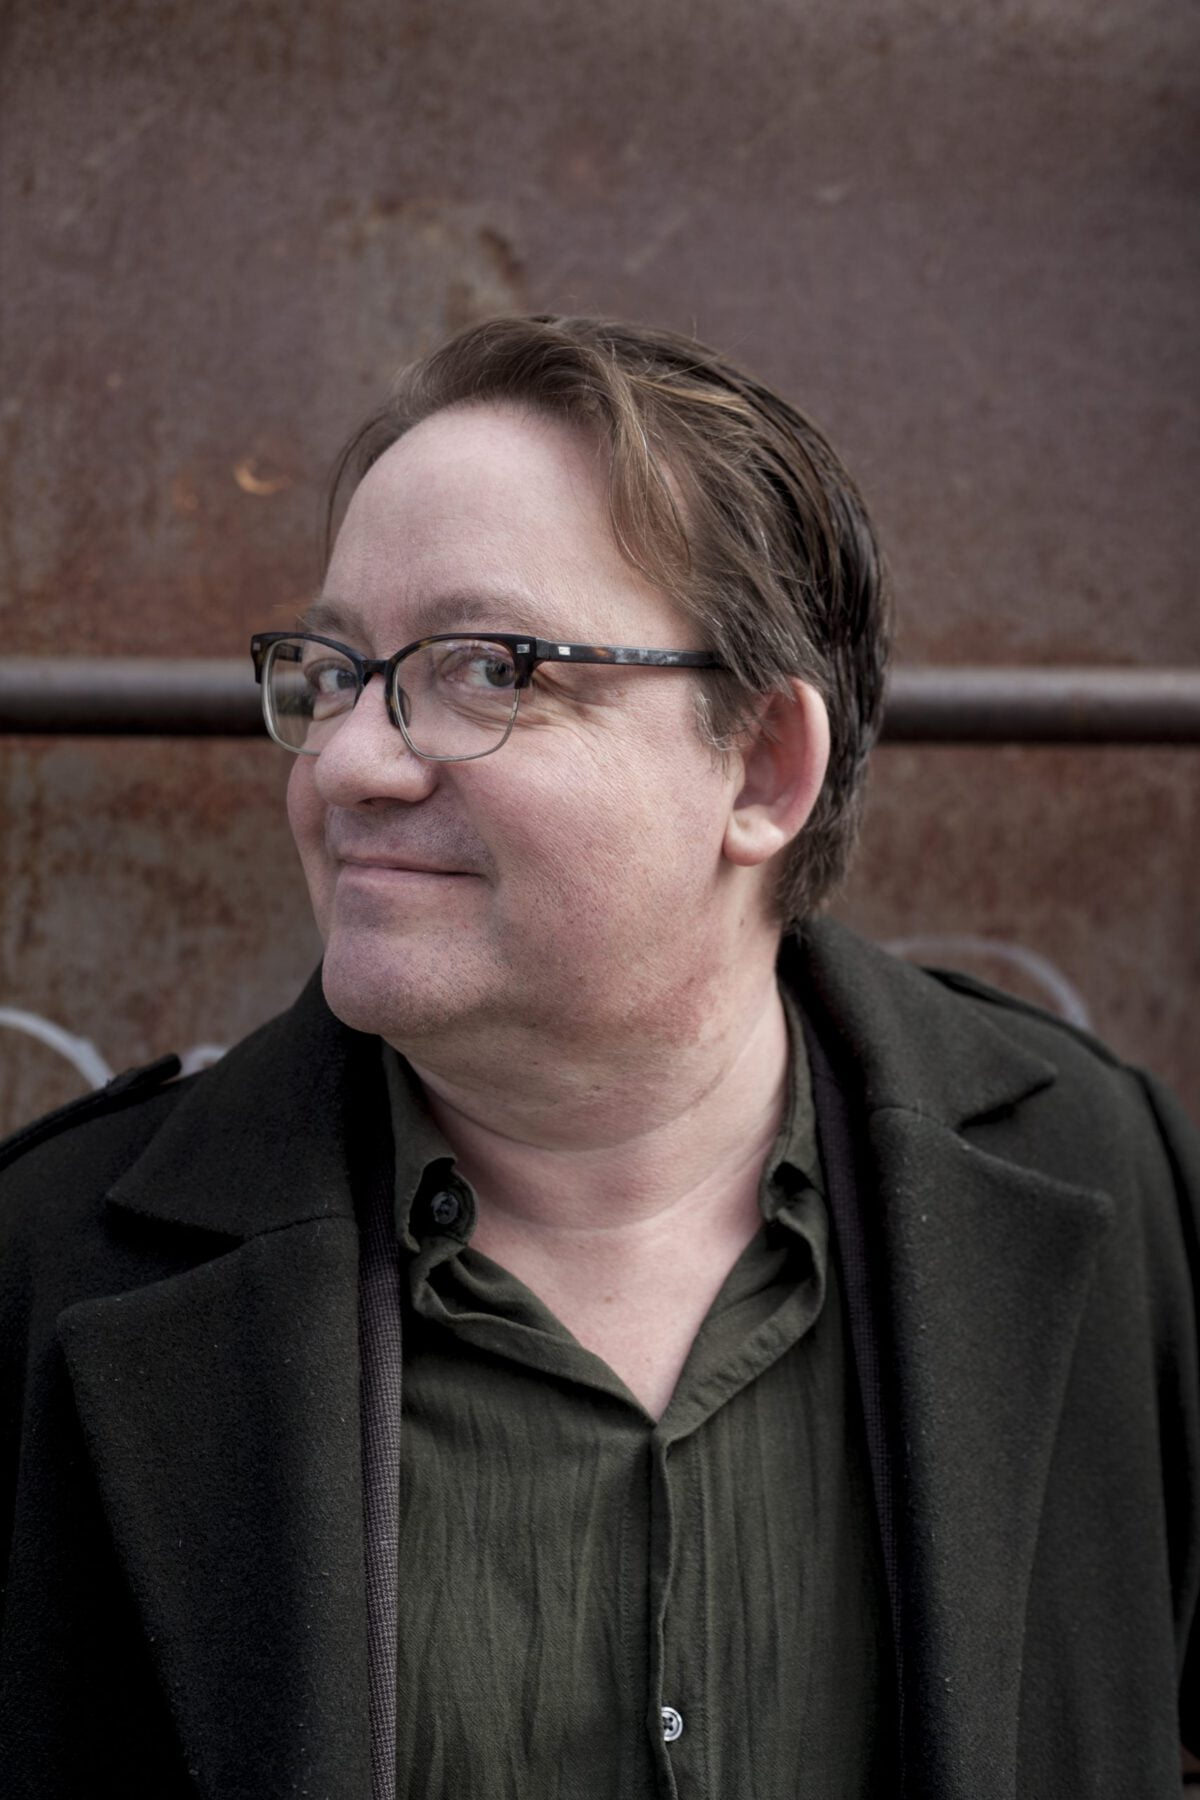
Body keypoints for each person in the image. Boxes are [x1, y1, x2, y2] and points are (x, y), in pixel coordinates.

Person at [0, 315, 1195, 1800]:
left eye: (487, 669)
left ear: (763, 768)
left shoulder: (1107, 1181)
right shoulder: (56, 1273)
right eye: (336, 670)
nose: (348, 762)